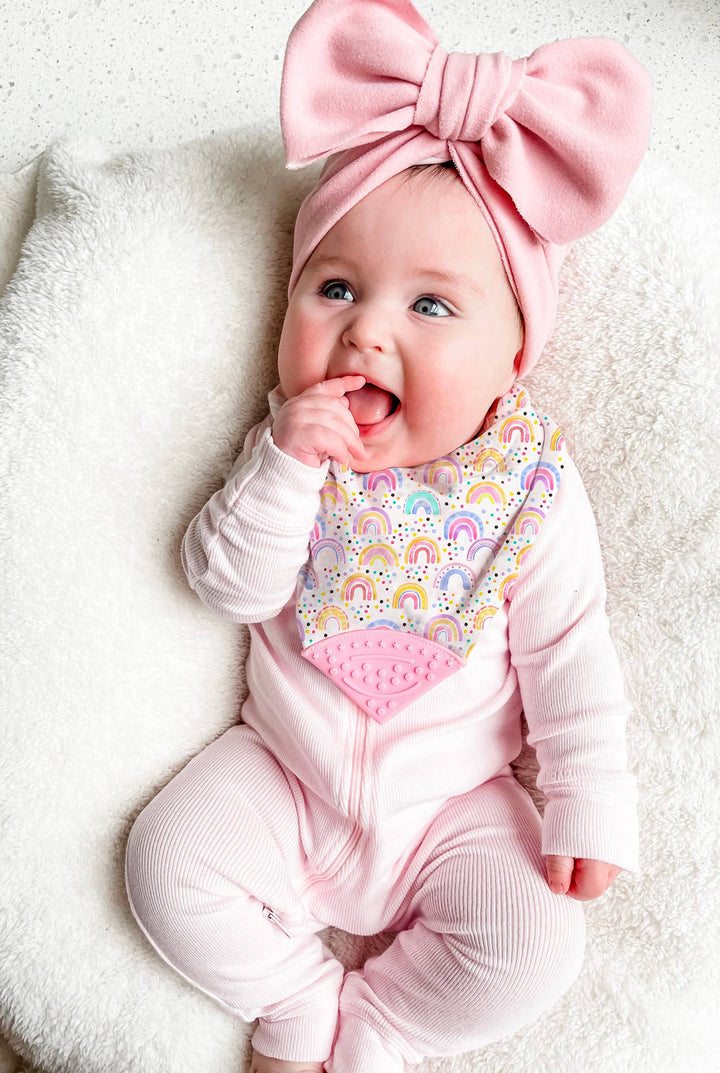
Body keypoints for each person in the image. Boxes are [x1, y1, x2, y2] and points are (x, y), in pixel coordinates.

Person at [124, 2, 652, 1071]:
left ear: (514, 361)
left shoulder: (528, 488)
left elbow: (568, 652)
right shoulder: (291, 450)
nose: (366, 328)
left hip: (455, 807)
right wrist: (281, 464)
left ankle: (386, 1028)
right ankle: (296, 997)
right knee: (163, 862)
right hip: (287, 771)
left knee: (536, 943)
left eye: (432, 307)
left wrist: (590, 800)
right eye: (334, 288)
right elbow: (225, 584)